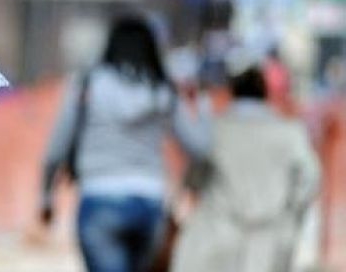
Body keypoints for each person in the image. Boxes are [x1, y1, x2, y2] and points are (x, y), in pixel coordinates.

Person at [40, 15, 211, 272]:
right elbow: (200, 147)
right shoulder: (163, 90)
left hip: (99, 197)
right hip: (150, 202)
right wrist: (204, 109)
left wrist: (45, 197)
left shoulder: (87, 85)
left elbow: (57, 148)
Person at [170, 51, 321, 272]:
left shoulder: (216, 130)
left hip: (218, 234)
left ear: (232, 92)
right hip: (269, 238)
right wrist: (290, 215)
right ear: (264, 93)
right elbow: (310, 177)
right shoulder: (290, 133)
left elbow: (197, 170)